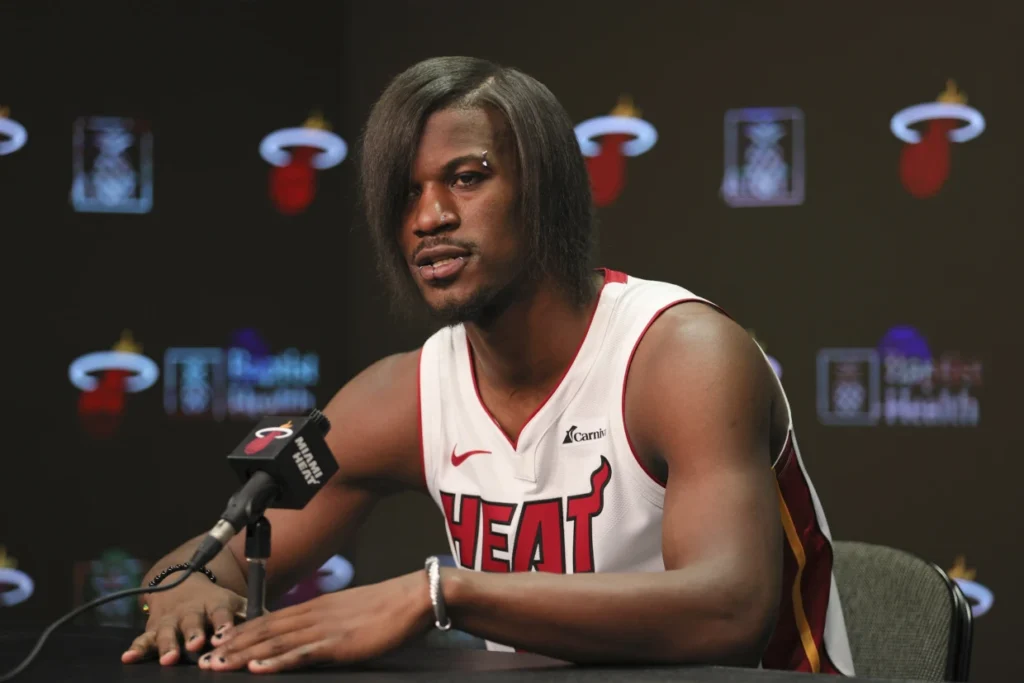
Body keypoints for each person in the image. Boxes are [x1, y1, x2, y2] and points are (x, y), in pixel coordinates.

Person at [122, 55, 854, 676]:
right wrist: (192, 597)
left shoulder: (678, 354)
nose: (428, 215)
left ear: (544, 191)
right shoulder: (407, 394)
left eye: (466, 178)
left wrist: (441, 592)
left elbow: (729, 610)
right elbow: (189, 569)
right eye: (406, 192)